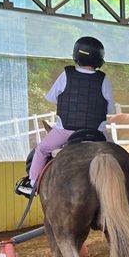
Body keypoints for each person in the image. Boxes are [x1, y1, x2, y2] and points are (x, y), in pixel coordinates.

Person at [15, 36, 116, 197]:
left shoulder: (66, 74)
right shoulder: (103, 79)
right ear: (99, 60)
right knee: (117, 155)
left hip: (66, 130)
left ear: (76, 56)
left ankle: (33, 183)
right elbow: (110, 108)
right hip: (97, 132)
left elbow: (52, 98)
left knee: (41, 150)